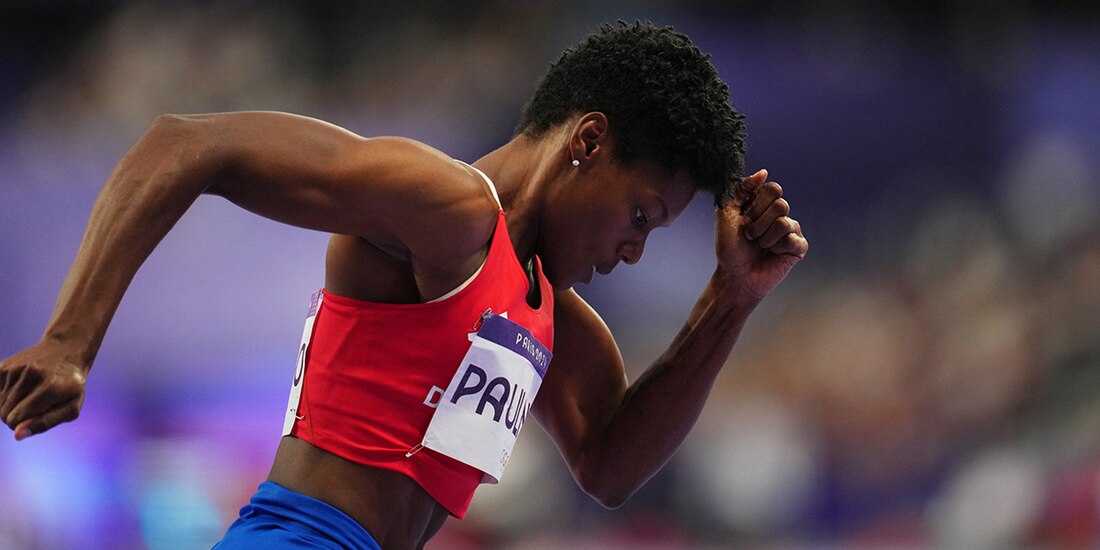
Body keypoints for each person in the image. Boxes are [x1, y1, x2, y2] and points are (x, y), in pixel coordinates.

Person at [0, 21, 807, 550]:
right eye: (640, 214)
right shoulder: (446, 208)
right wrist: (72, 338)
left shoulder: (551, 312)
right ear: (587, 141)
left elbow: (608, 468)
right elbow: (186, 145)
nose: (632, 251)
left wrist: (730, 299)